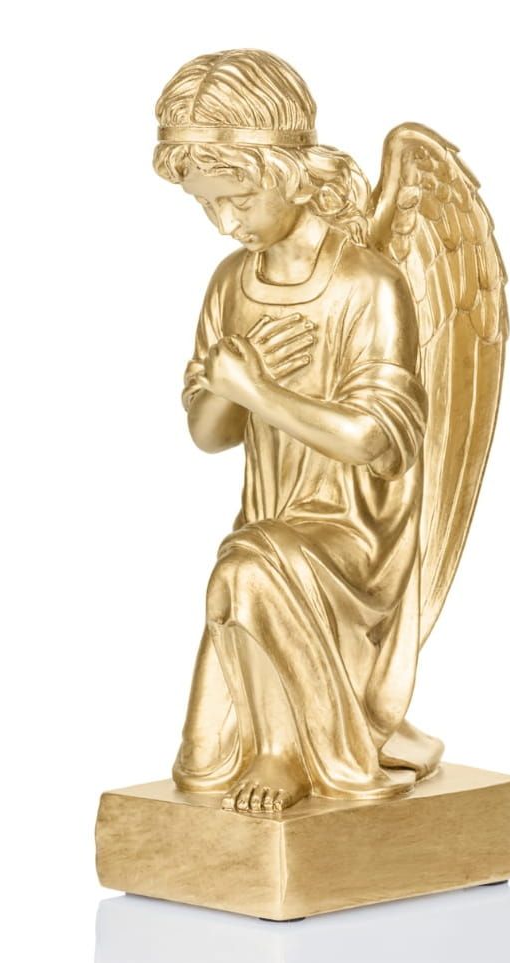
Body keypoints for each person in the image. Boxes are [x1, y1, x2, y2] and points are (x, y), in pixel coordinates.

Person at [154, 50, 443, 813]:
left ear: (286, 171)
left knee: (247, 567)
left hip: (354, 536)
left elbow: (374, 440)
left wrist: (258, 389)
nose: (226, 223)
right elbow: (208, 433)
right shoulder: (232, 282)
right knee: (200, 770)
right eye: (206, 206)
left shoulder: (367, 283)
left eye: (238, 198)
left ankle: (285, 751)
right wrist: (228, 388)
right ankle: (280, 738)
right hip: (272, 521)